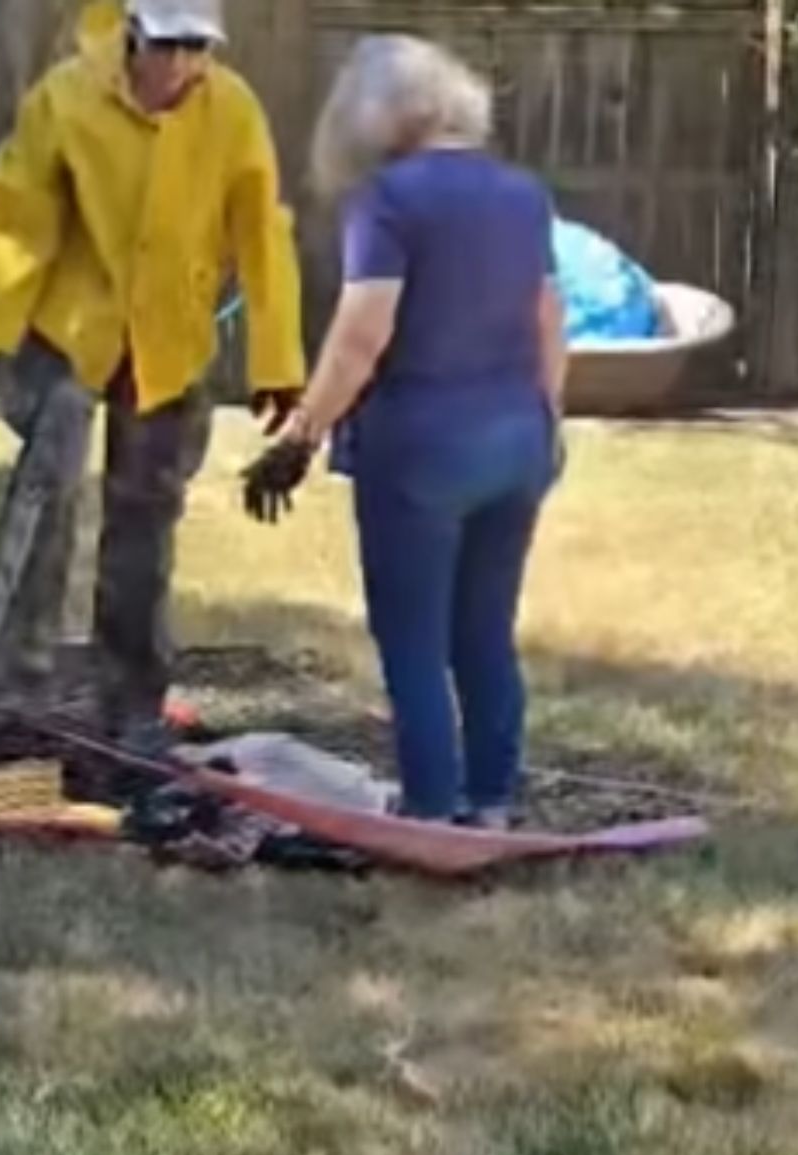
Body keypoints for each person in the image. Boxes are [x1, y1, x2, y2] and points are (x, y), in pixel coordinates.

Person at [0, 0, 305, 747]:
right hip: (70, 334)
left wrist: (278, 363)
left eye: (197, 48)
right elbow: (18, 216)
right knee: (42, 511)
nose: (182, 66)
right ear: (132, 36)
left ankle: (132, 709)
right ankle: (17, 696)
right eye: (168, 46)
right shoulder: (66, 96)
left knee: (143, 530)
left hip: (169, 349)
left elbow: (263, 235)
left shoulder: (233, 110)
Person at [241, 36, 567, 829]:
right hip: (517, 440)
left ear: (369, 116)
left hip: (420, 448)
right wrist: (548, 420)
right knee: (485, 633)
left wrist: (300, 436)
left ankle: (426, 810)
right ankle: (490, 801)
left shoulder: (387, 199)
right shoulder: (523, 193)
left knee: (413, 639)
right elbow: (550, 319)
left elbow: (362, 335)